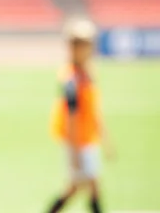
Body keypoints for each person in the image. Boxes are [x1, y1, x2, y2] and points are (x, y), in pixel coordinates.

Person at [47, 18, 115, 213]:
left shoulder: (89, 73)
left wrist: (105, 138)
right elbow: (71, 116)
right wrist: (75, 151)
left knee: (76, 187)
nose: (89, 48)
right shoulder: (70, 78)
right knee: (89, 185)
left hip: (88, 138)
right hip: (79, 141)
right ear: (73, 47)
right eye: (84, 44)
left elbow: (94, 109)